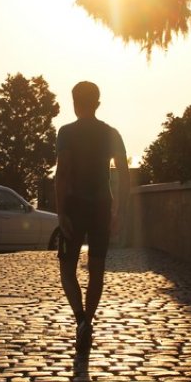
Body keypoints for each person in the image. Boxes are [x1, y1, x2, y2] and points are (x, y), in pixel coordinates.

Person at [55, 81, 129, 351]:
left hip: (74, 206)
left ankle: (81, 320)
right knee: (96, 269)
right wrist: (119, 210)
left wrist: (61, 211)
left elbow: (62, 172)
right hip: (101, 206)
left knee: (67, 268)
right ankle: (89, 320)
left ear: (74, 103)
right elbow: (123, 173)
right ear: (97, 103)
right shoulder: (111, 133)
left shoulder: (66, 133)